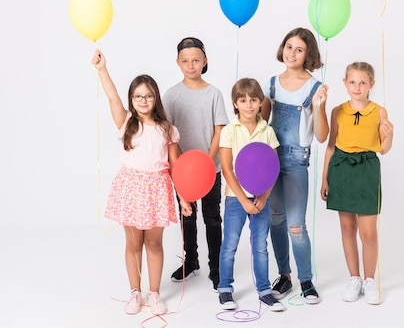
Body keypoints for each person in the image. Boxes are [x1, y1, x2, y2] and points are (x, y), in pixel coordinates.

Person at [91, 49, 193, 315]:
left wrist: (183, 196)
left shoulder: (167, 128)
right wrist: (102, 69)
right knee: (134, 243)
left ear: (155, 97)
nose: (143, 100)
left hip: (157, 189)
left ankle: (154, 293)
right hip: (131, 187)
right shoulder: (126, 122)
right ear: (132, 100)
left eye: (148, 95)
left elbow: (175, 166)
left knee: (155, 243)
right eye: (138, 96)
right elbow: (112, 96)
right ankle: (135, 292)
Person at [260, 27, 329, 305]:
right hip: (271, 159)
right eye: (289, 46)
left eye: (299, 49)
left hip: (297, 161)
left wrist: (319, 106)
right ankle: (285, 276)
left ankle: (306, 280)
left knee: (296, 225)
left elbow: (322, 136)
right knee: (276, 219)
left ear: (308, 54)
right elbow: (262, 126)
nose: (292, 53)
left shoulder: (315, 87)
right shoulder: (272, 83)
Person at [320, 61, 394, 305]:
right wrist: (325, 178)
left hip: (367, 169)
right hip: (341, 168)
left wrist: (390, 135)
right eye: (352, 82)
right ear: (345, 83)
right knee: (347, 228)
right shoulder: (337, 111)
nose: (357, 86)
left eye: (363, 82)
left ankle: (370, 279)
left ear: (371, 84)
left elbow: (383, 149)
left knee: (369, 232)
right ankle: (354, 278)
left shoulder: (380, 111)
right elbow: (331, 145)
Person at [163, 37, 229, 291]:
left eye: (196, 60)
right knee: (187, 217)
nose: (191, 66)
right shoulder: (171, 96)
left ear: (205, 61)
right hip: (184, 172)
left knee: (213, 218)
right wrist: (182, 167)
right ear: (178, 63)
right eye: (185, 61)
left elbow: (219, 130)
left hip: (211, 169)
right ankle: (190, 261)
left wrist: (206, 162)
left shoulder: (214, 94)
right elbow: (169, 136)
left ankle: (216, 267)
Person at [217, 78, 285, 312]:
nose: (248, 105)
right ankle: (225, 288)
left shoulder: (267, 131)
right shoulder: (229, 130)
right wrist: (243, 200)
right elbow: (227, 168)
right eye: (243, 100)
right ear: (235, 103)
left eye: (253, 100)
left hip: (261, 199)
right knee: (230, 245)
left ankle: (265, 291)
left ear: (260, 103)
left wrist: (264, 197)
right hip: (236, 199)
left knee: (260, 246)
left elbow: (273, 166)